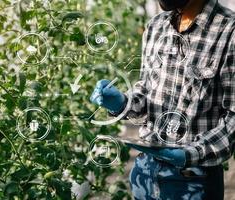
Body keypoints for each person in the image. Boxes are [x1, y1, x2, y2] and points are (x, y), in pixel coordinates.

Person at [90, 0, 235, 199]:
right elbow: (146, 93)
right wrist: (122, 103)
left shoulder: (228, 31)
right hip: (144, 173)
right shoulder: (156, 26)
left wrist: (190, 154)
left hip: (193, 181)